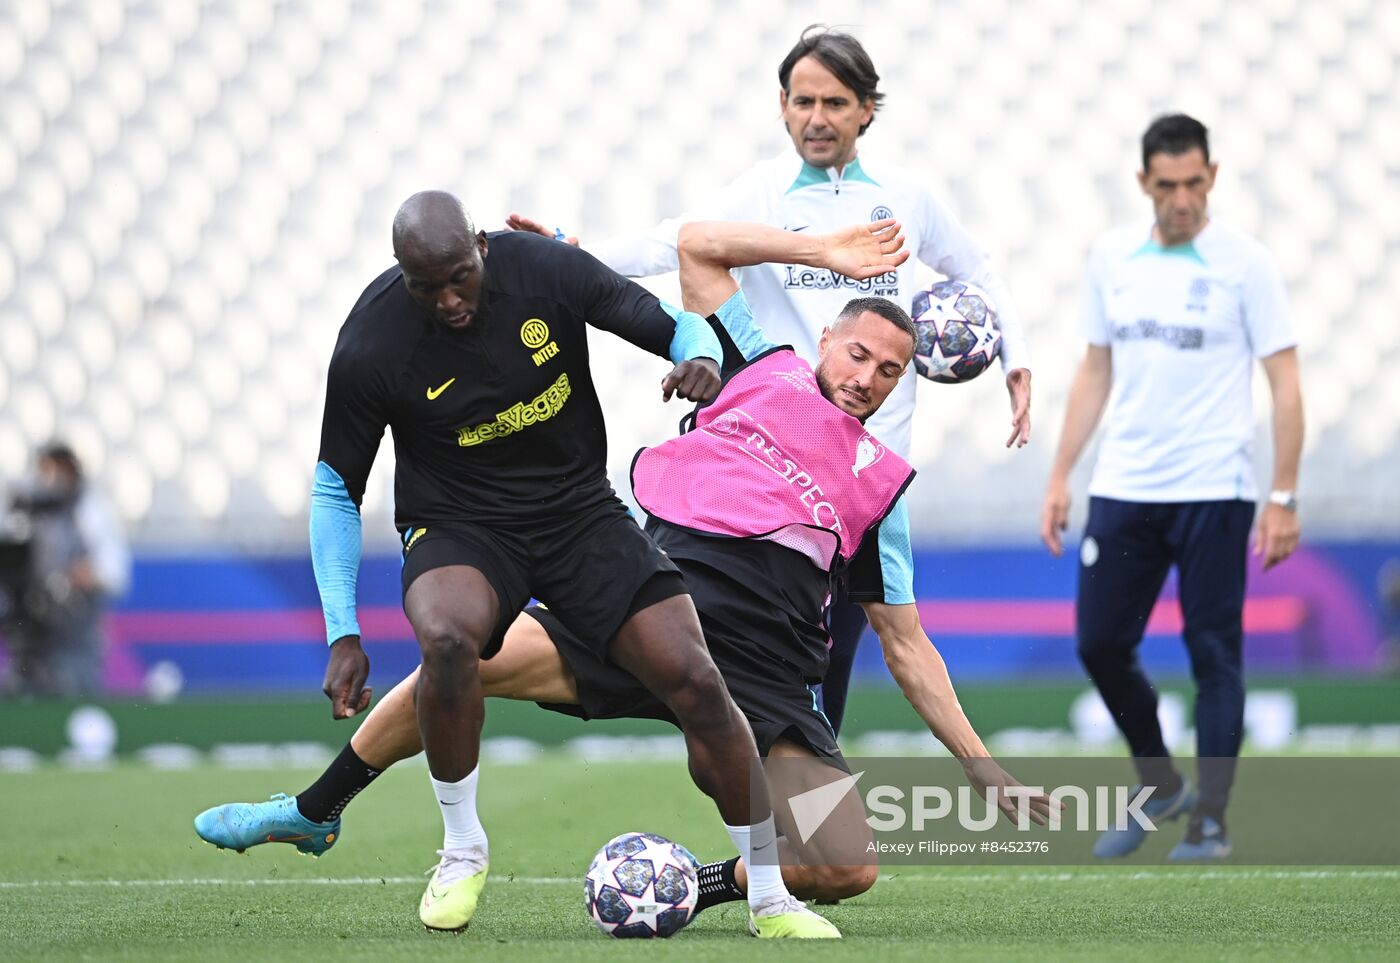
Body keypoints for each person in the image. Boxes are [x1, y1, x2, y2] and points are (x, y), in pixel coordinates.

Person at [197, 217, 1057, 919]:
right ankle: (316, 808)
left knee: (847, 866)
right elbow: (698, 248)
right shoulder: (759, 367)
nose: (866, 377)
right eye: (857, 353)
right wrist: (824, 251)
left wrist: (984, 769)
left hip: (762, 675)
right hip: (640, 606)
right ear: (825, 339)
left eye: (889, 371)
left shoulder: (880, 488)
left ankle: (698, 880)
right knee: (456, 661)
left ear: (908, 383)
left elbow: (905, 645)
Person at [284, 190, 837, 938]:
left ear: (481, 245)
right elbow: (333, 488)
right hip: (460, 526)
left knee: (695, 677)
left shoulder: (545, 271)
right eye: (426, 286)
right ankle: (461, 847)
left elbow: (663, 323)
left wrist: (699, 355)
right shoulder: (372, 342)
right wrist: (342, 628)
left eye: (458, 277)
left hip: (578, 513)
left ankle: (771, 897)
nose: (447, 299)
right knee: (447, 639)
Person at [508, 24, 1034, 736]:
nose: (818, 118)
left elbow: (977, 273)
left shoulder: (907, 197)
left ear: (866, 111)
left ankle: (793, 818)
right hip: (775, 458)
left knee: (834, 654)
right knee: (765, 651)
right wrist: (573, 256)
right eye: (804, 101)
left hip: (865, 475)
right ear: (782, 105)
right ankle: (779, 819)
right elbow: (677, 241)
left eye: (837, 102)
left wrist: (1016, 358)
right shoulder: (760, 190)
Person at [1039, 114, 1304, 861]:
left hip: (1216, 488)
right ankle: (1160, 780)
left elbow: (1285, 383)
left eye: (1194, 183)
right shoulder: (1111, 257)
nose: (1181, 198)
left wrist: (1282, 494)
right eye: (1167, 185)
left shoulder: (1247, 264)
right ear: (1143, 183)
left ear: (1212, 177)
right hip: (1126, 484)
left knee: (1213, 649)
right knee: (1100, 642)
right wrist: (1061, 473)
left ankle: (1210, 818)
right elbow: (1096, 368)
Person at [1, 442, 131, 697]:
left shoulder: (89, 510)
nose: (50, 480)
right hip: (28, 636)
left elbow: (113, 571)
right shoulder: (27, 511)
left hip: (72, 637)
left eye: (57, 471)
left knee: (71, 698)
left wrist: (77, 575)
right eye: (45, 471)